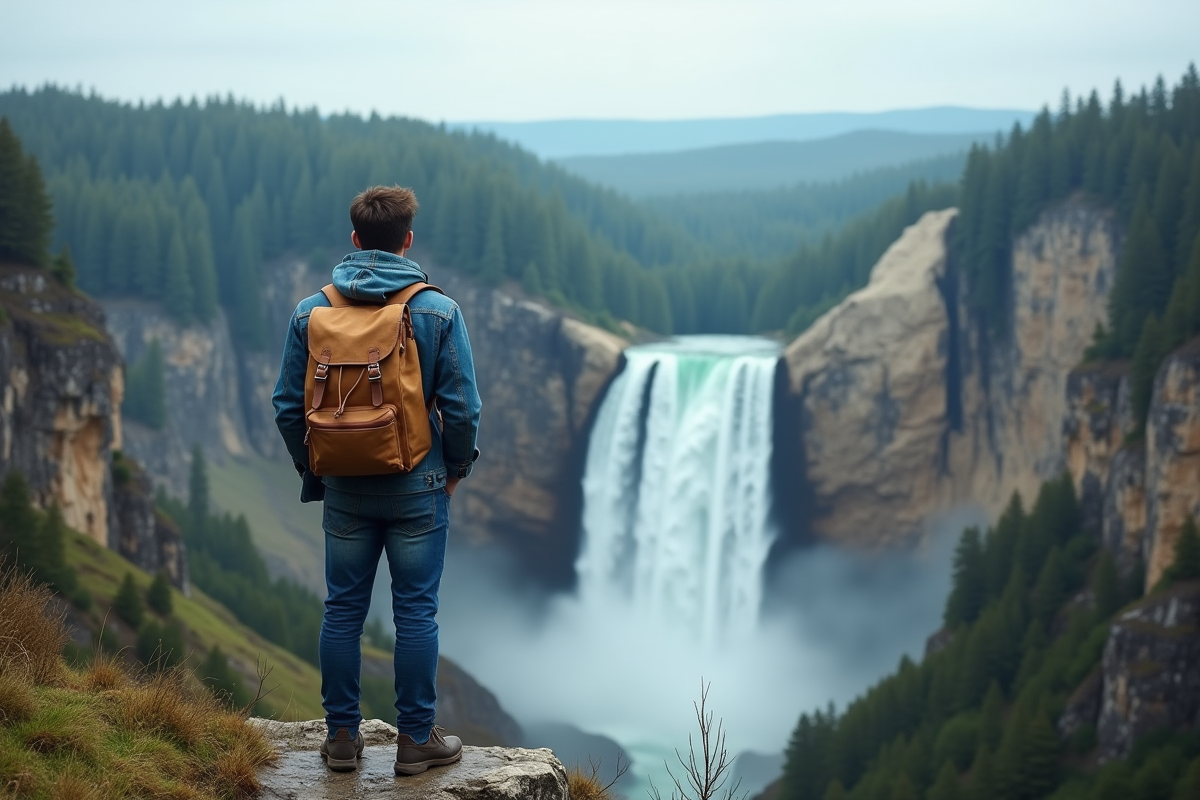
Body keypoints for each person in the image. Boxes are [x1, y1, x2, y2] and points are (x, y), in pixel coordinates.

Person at [272, 185, 482, 775]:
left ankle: (341, 740)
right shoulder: (437, 310)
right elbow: (463, 408)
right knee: (415, 611)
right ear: (407, 240)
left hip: (344, 488)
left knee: (342, 609)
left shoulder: (311, 311)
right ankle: (415, 742)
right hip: (419, 484)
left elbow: (288, 405)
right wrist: (456, 468)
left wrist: (317, 466)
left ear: (356, 239)